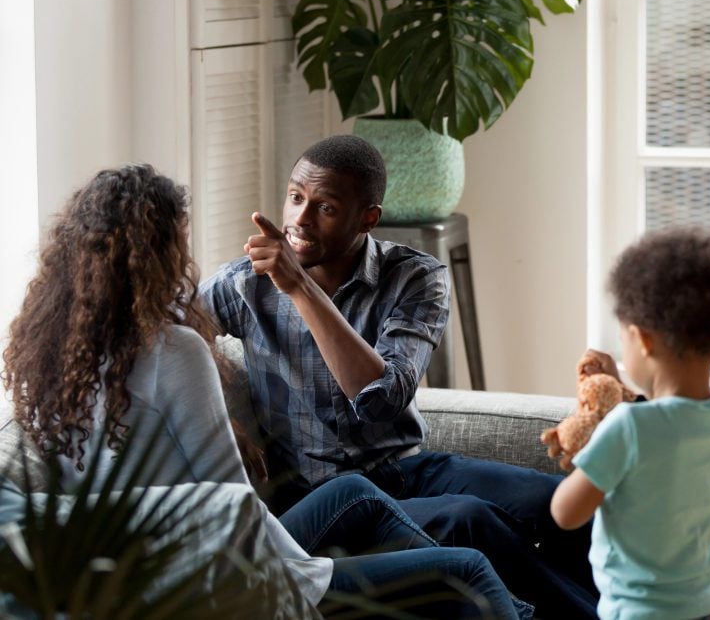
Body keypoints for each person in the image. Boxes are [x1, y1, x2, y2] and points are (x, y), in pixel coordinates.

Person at [1, 163, 529, 619]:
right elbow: (233, 506)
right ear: (161, 254)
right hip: (225, 572)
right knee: (467, 568)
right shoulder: (173, 353)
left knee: (355, 492)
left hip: (146, 565)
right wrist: (313, 571)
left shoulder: (51, 355)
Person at [200, 135, 598, 617]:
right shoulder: (244, 282)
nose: (300, 220)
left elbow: (381, 399)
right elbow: (164, 331)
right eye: (295, 197)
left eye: (324, 207)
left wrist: (302, 289)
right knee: (471, 521)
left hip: (405, 468)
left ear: (368, 217)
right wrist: (219, 419)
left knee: (559, 503)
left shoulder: (414, 276)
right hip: (325, 496)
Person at [548, 227, 710, 620]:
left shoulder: (627, 428)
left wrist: (583, 459)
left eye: (623, 336)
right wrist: (621, 388)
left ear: (643, 339)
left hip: (643, 611)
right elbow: (667, 423)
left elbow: (565, 513)